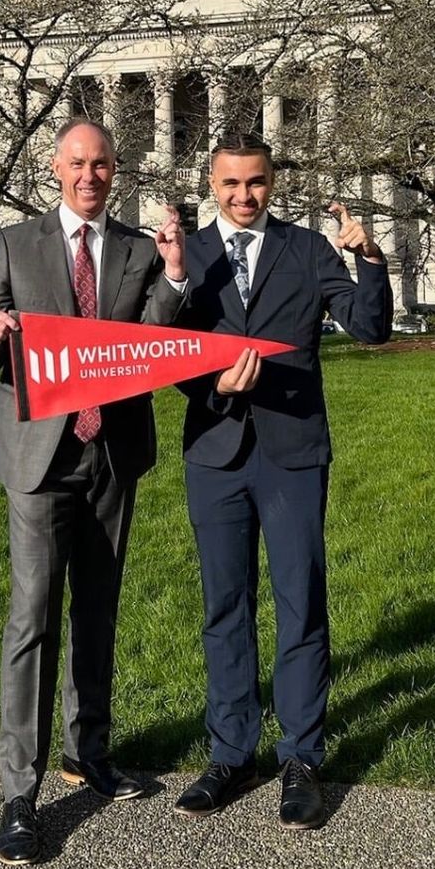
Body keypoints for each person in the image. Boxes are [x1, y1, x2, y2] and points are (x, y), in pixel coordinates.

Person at [0, 118, 188, 866]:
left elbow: (158, 333)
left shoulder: (133, 248)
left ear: (114, 170)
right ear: (55, 168)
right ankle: (20, 794)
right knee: (33, 613)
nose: (88, 175)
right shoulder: (14, 242)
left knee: (98, 608)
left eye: (100, 164)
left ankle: (88, 751)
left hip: (111, 453)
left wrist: (177, 274)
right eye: (77, 163)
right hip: (38, 455)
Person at [173, 135, 392, 831]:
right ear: (211, 181)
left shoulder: (306, 249)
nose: (244, 196)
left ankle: (301, 756)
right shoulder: (190, 256)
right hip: (215, 448)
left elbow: (370, 328)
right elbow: (165, 350)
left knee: (300, 602)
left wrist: (371, 260)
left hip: (292, 450)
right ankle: (232, 751)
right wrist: (208, 380)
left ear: (274, 182)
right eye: (231, 183)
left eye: (257, 182)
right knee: (224, 605)